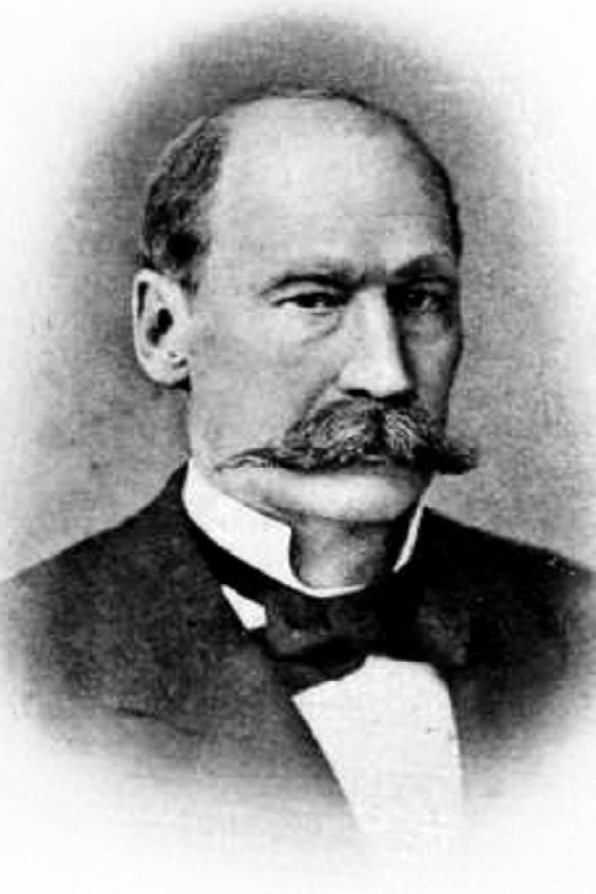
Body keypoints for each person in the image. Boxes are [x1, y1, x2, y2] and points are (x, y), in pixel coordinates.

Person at [2, 87, 593, 858]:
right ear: (164, 330)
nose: (386, 375)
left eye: (420, 299)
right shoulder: (24, 668)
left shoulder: (579, 631)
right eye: (314, 299)